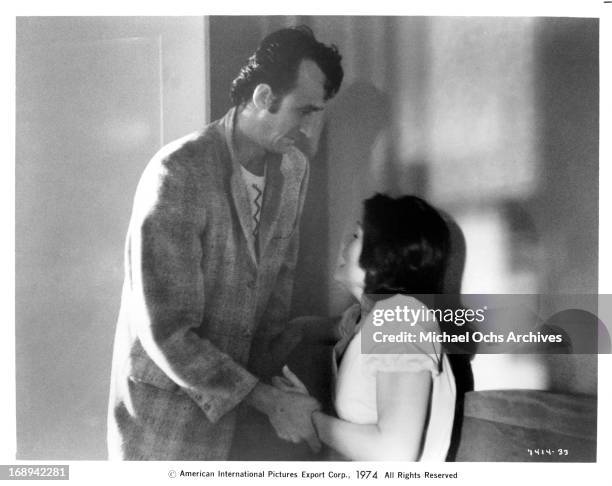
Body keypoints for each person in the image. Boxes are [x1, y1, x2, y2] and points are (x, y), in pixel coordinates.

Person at [107, 26, 343, 460]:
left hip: (238, 419)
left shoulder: (293, 168)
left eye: (318, 113)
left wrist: (327, 333)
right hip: (163, 421)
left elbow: (276, 293)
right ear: (262, 97)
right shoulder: (179, 171)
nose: (311, 130)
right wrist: (270, 403)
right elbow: (166, 331)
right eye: (303, 111)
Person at [274, 194, 458, 461]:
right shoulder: (374, 319)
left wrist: (309, 419)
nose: (343, 244)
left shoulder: (400, 318)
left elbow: (394, 454)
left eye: (357, 236)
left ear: (388, 255)